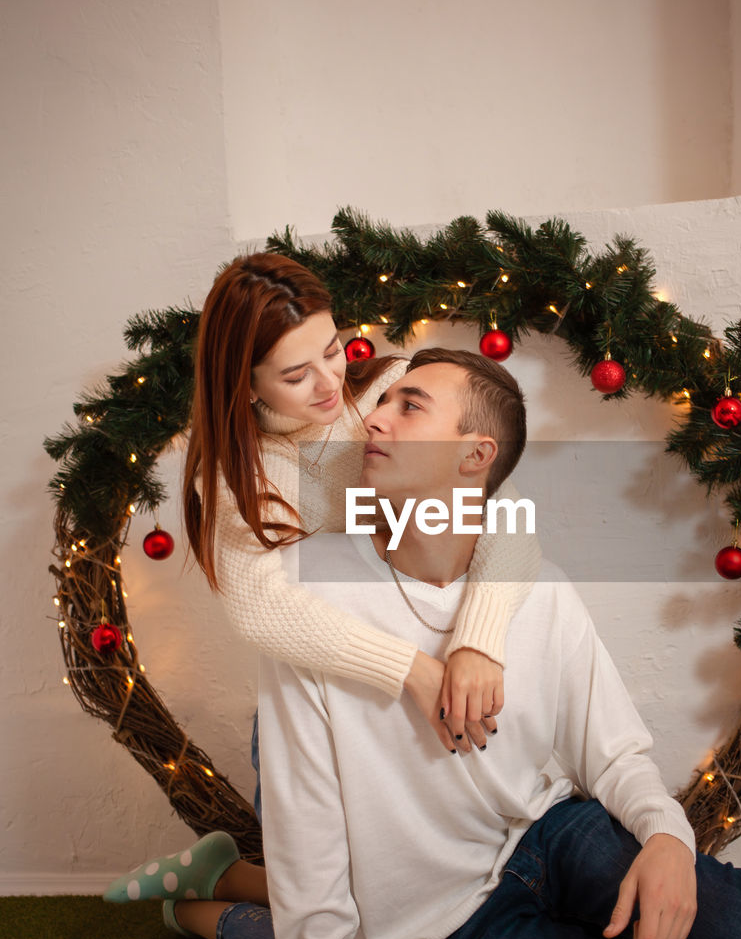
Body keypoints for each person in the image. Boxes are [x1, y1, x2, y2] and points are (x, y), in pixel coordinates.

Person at [159, 348, 741, 939]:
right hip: (443, 931)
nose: (371, 415)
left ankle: (639, 916)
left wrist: (662, 839)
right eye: (381, 401)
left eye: (409, 405)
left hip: (547, 834)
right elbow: (305, 816)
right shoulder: (312, 605)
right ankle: (197, 905)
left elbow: (611, 754)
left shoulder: (538, 588)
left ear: (474, 455)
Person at [182, 251, 540, 755]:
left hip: (447, 672)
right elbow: (261, 609)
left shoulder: (390, 390)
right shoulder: (233, 475)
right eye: (295, 376)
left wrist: (478, 641)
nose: (330, 383)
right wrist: (411, 670)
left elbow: (501, 514)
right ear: (245, 385)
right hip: (328, 709)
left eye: (332, 350)